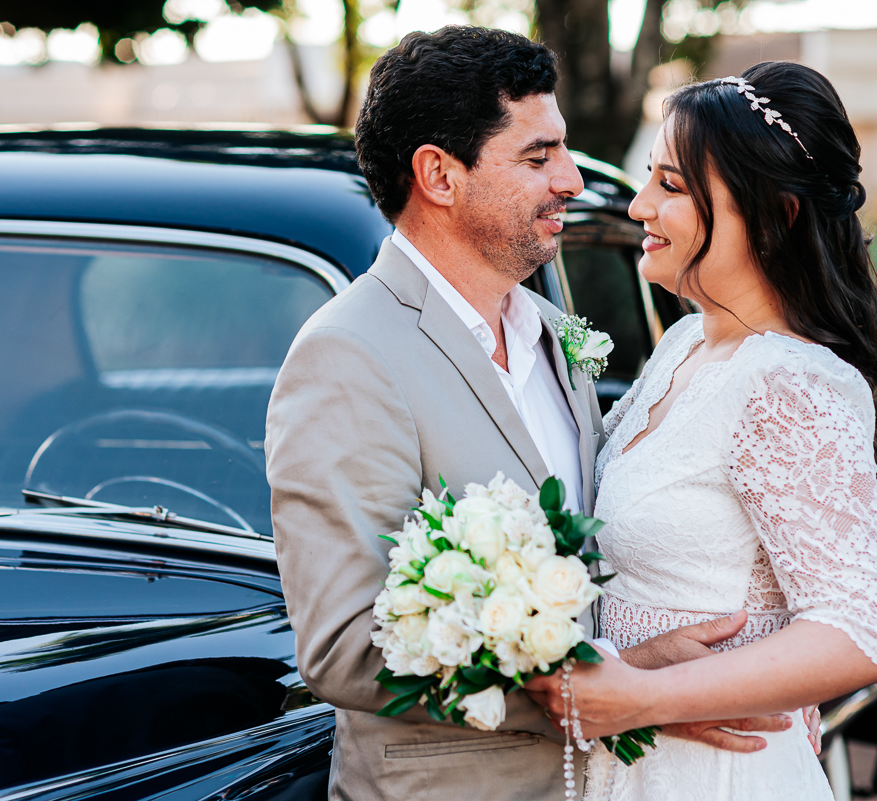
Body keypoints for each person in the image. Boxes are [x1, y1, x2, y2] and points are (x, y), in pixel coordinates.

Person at [266, 27, 801, 801]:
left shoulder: (555, 337)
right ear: (439, 175)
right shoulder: (348, 355)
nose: (573, 180)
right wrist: (608, 691)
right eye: (537, 155)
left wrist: (636, 666)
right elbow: (347, 644)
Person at [525, 62, 877, 800]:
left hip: (721, 775)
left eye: (670, 185)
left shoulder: (790, 381)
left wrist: (639, 698)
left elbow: (859, 631)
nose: (638, 206)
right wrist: (637, 666)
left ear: (775, 214)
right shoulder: (686, 344)